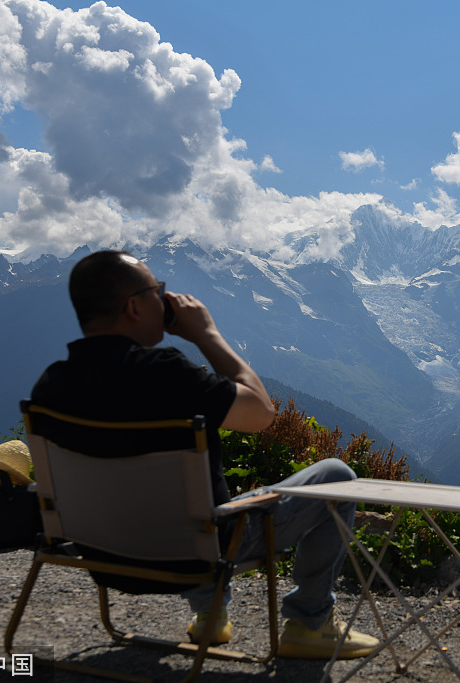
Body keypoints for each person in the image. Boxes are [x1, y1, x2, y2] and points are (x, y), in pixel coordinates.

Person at [30, 249, 379, 659]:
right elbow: (261, 414)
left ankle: (210, 617)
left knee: (188, 500)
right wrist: (205, 334)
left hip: (101, 553)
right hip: (194, 552)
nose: (165, 298)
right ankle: (310, 624)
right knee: (336, 474)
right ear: (134, 306)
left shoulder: (51, 385)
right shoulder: (165, 372)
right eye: (156, 291)